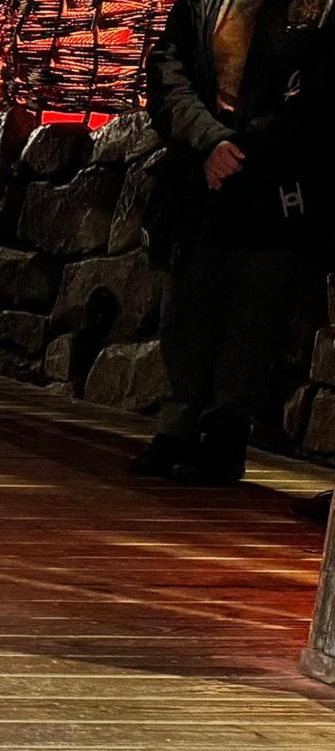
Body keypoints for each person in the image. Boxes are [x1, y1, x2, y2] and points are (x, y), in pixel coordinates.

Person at [134, 0, 331, 485]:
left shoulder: (316, 8)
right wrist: (208, 141)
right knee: (187, 306)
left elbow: (317, 95)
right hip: (203, 173)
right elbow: (168, 73)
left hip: (275, 178)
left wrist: (246, 150)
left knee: (254, 309)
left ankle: (224, 433)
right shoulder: (202, 4)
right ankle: (178, 425)